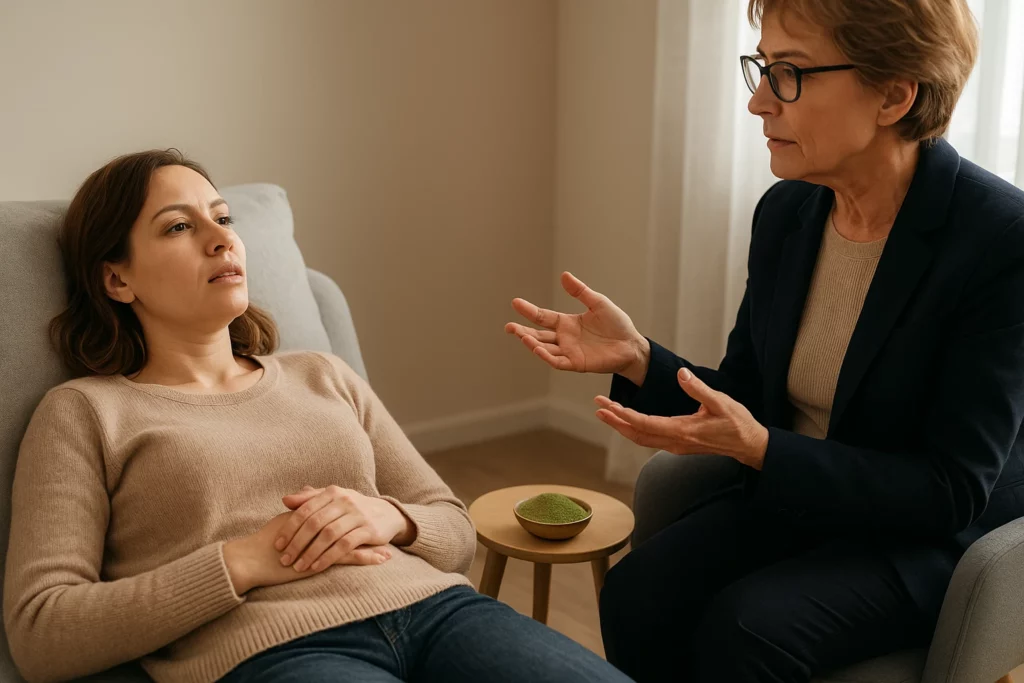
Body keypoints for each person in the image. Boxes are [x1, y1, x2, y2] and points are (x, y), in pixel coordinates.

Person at [506, 0, 1024, 681]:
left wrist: (765, 449)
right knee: (639, 591)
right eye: (763, 67)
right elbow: (749, 394)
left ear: (895, 95)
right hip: (805, 497)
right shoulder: (788, 213)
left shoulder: (998, 241)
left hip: (925, 537)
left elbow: (949, 488)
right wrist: (641, 358)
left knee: (747, 628)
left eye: (790, 73)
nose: (757, 103)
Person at [4, 150, 634, 683]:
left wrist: (390, 517)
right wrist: (241, 562)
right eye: (177, 228)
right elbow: (41, 631)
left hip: (440, 610)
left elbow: (454, 530)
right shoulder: (85, 412)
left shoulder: (321, 373)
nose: (221, 237)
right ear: (117, 278)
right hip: (277, 650)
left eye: (222, 218)